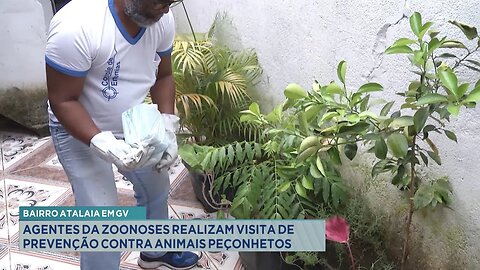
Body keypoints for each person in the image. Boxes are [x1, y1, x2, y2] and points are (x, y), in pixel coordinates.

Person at [45, 0, 200, 269]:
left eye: (171, 2)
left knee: (156, 184)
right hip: (77, 126)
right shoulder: (75, 26)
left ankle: (156, 250)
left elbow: (164, 76)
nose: (166, 9)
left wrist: (166, 126)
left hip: (131, 120)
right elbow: (62, 100)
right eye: (161, 1)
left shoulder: (161, 18)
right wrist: (102, 143)